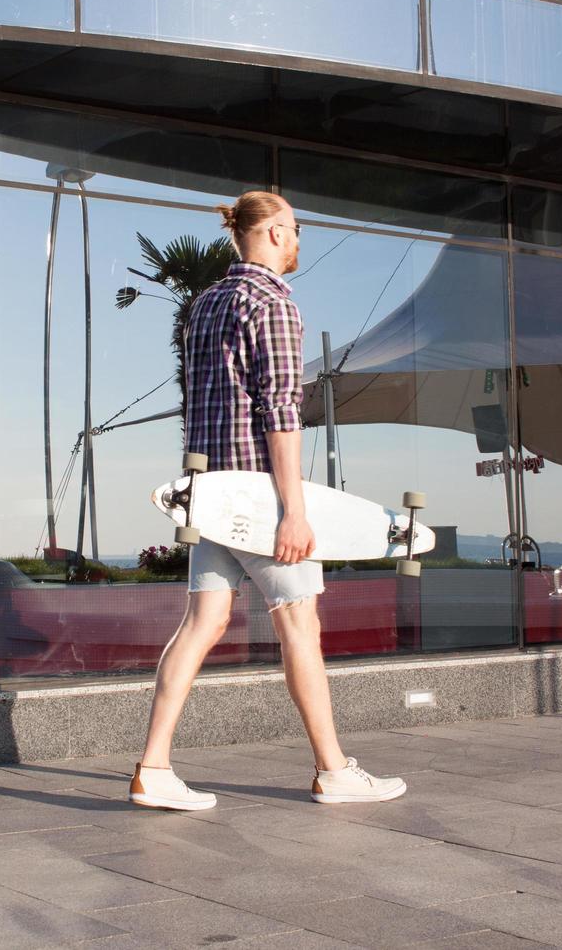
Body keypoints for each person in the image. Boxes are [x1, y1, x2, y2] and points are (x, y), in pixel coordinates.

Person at [129, 191, 407, 810]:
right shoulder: (274, 304)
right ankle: (333, 770)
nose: (300, 240)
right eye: (296, 229)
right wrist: (295, 510)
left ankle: (154, 768)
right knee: (300, 625)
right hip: (259, 500)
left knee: (201, 624)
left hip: (211, 494)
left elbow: (199, 407)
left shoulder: (204, 305)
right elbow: (281, 414)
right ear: (276, 232)